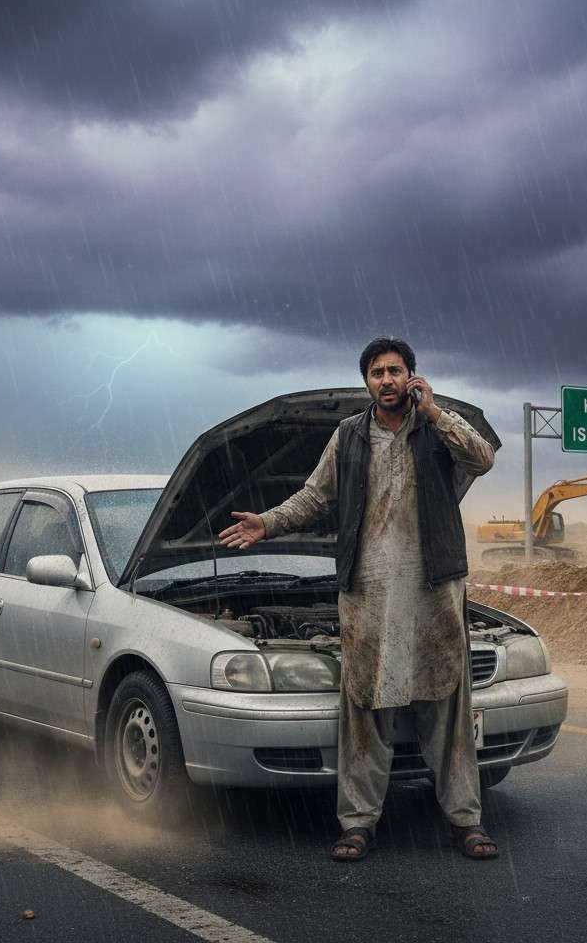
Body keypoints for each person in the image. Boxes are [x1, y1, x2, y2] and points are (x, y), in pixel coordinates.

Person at [218, 336, 498, 861]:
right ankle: (358, 825)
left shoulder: (436, 430)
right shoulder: (348, 437)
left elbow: (481, 459)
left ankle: (467, 822)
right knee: (364, 712)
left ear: (412, 377)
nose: (386, 381)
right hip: (367, 599)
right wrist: (267, 522)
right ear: (366, 382)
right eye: (376, 373)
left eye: (395, 371)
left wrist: (436, 413)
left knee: (447, 710)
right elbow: (313, 497)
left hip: (433, 596)